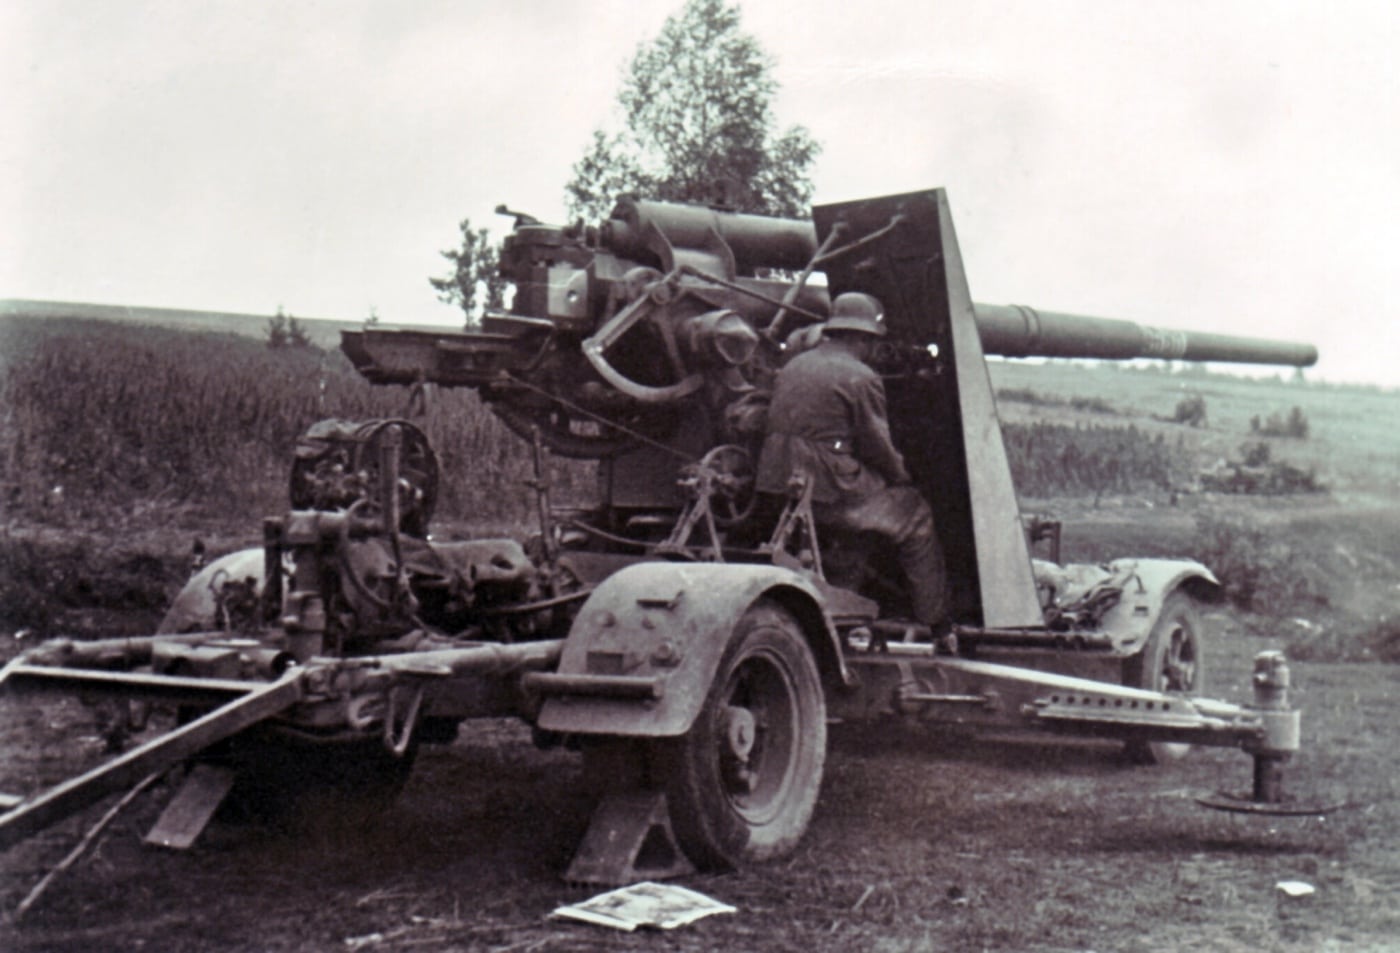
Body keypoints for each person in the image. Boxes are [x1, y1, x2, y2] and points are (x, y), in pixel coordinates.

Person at [755, 292, 948, 633]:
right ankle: (935, 623)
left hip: (778, 483)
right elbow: (877, 444)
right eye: (874, 341)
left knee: (866, 523)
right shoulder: (861, 377)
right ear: (862, 338)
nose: (875, 349)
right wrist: (901, 475)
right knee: (914, 515)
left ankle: (845, 603)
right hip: (828, 486)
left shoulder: (794, 365)